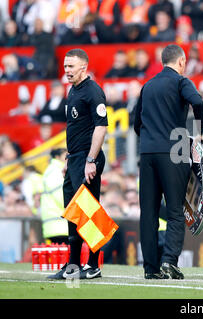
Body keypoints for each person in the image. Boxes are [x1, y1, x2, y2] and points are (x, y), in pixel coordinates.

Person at [134, 44, 203, 280]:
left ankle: (150, 268)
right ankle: (169, 262)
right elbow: (197, 102)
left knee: (148, 213)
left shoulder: (147, 86)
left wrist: (150, 140)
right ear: (182, 62)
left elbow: (136, 123)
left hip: (146, 154)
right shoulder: (181, 82)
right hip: (173, 152)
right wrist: (202, 131)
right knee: (175, 211)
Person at [47, 48, 108, 280]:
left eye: (71, 67)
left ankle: (93, 265)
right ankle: (73, 265)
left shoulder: (93, 92)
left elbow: (101, 127)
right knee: (75, 212)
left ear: (84, 67)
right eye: (65, 66)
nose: (67, 71)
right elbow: (76, 127)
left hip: (87, 158)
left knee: (88, 211)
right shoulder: (73, 91)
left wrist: (90, 160)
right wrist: (70, 157)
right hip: (75, 158)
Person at [40, 148, 69, 244]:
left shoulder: (52, 170)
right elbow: (61, 196)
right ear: (57, 157)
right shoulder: (56, 171)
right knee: (64, 257)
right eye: (65, 155)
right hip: (59, 225)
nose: (68, 157)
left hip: (57, 226)